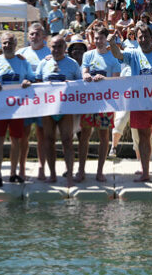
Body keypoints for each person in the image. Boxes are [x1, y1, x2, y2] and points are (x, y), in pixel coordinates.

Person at [108, 22, 152, 185]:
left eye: (146, 36)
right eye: (140, 37)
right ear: (136, 39)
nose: (144, 39)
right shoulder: (133, 53)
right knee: (143, 138)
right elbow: (118, 54)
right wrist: (111, 43)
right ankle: (145, 173)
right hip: (140, 103)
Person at [0, 32, 34, 185]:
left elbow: (32, 78)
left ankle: (13, 173)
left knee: (16, 140)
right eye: (4, 43)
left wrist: (27, 81)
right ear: (1, 44)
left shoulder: (23, 62)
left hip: (17, 107)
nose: (7, 45)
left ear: (15, 44)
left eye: (10, 43)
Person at [35, 35, 82, 184]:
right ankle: (53, 175)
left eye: (60, 46)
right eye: (54, 46)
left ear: (65, 48)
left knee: (67, 141)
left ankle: (69, 176)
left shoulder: (73, 64)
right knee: (48, 140)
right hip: (48, 109)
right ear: (50, 47)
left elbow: (81, 84)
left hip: (65, 109)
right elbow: (36, 83)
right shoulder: (43, 63)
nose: (56, 49)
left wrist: (72, 84)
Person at [78, 27, 121, 182]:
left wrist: (104, 80)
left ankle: (100, 171)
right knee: (85, 135)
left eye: (100, 38)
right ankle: (81, 170)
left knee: (104, 136)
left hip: (106, 103)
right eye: (95, 38)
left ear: (105, 39)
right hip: (89, 102)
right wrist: (86, 75)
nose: (98, 41)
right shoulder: (88, 55)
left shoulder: (113, 58)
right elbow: (84, 72)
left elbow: (117, 80)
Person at [16, 23, 51, 180]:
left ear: (43, 37)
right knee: (23, 135)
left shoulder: (50, 52)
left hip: (44, 100)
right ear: (28, 36)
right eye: (31, 34)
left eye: (37, 34)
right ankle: (22, 168)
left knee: (42, 136)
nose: (34, 37)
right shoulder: (20, 53)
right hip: (25, 101)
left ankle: (42, 168)